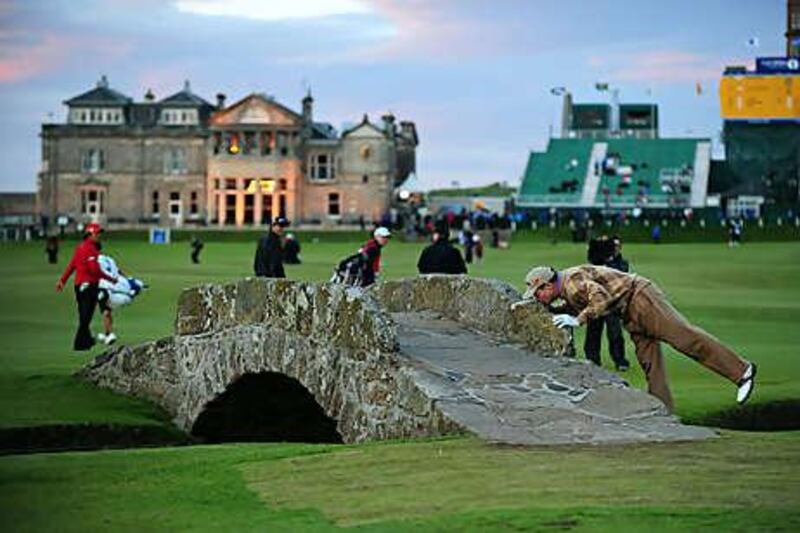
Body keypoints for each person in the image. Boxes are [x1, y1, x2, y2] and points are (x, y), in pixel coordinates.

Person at [514, 265, 757, 412]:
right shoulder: (564, 288)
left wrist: (578, 320)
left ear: (547, 285)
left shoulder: (573, 282)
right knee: (650, 364)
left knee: (685, 338)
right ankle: (664, 416)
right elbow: (574, 305)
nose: (538, 297)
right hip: (629, 312)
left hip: (641, 298)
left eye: (537, 293)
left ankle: (742, 371)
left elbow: (600, 298)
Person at [55, 222, 117, 351]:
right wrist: (110, 279)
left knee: (84, 316)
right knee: (85, 317)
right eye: (97, 233)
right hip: (89, 286)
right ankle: (80, 344)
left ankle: (86, 342)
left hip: (79, 286)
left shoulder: (80, 247)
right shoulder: (90, 249)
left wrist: (62, 281)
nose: (99, 236)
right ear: (90, 235)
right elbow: (95, 270)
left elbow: (72, 265)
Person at [584, 235, 631, 371]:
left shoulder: (622, 263)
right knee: (593, 333)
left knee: (615, 333)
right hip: (596, 302)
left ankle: (620, 360)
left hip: (612, 304)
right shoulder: (596, 262)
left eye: (617, 246)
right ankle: (592, 360)